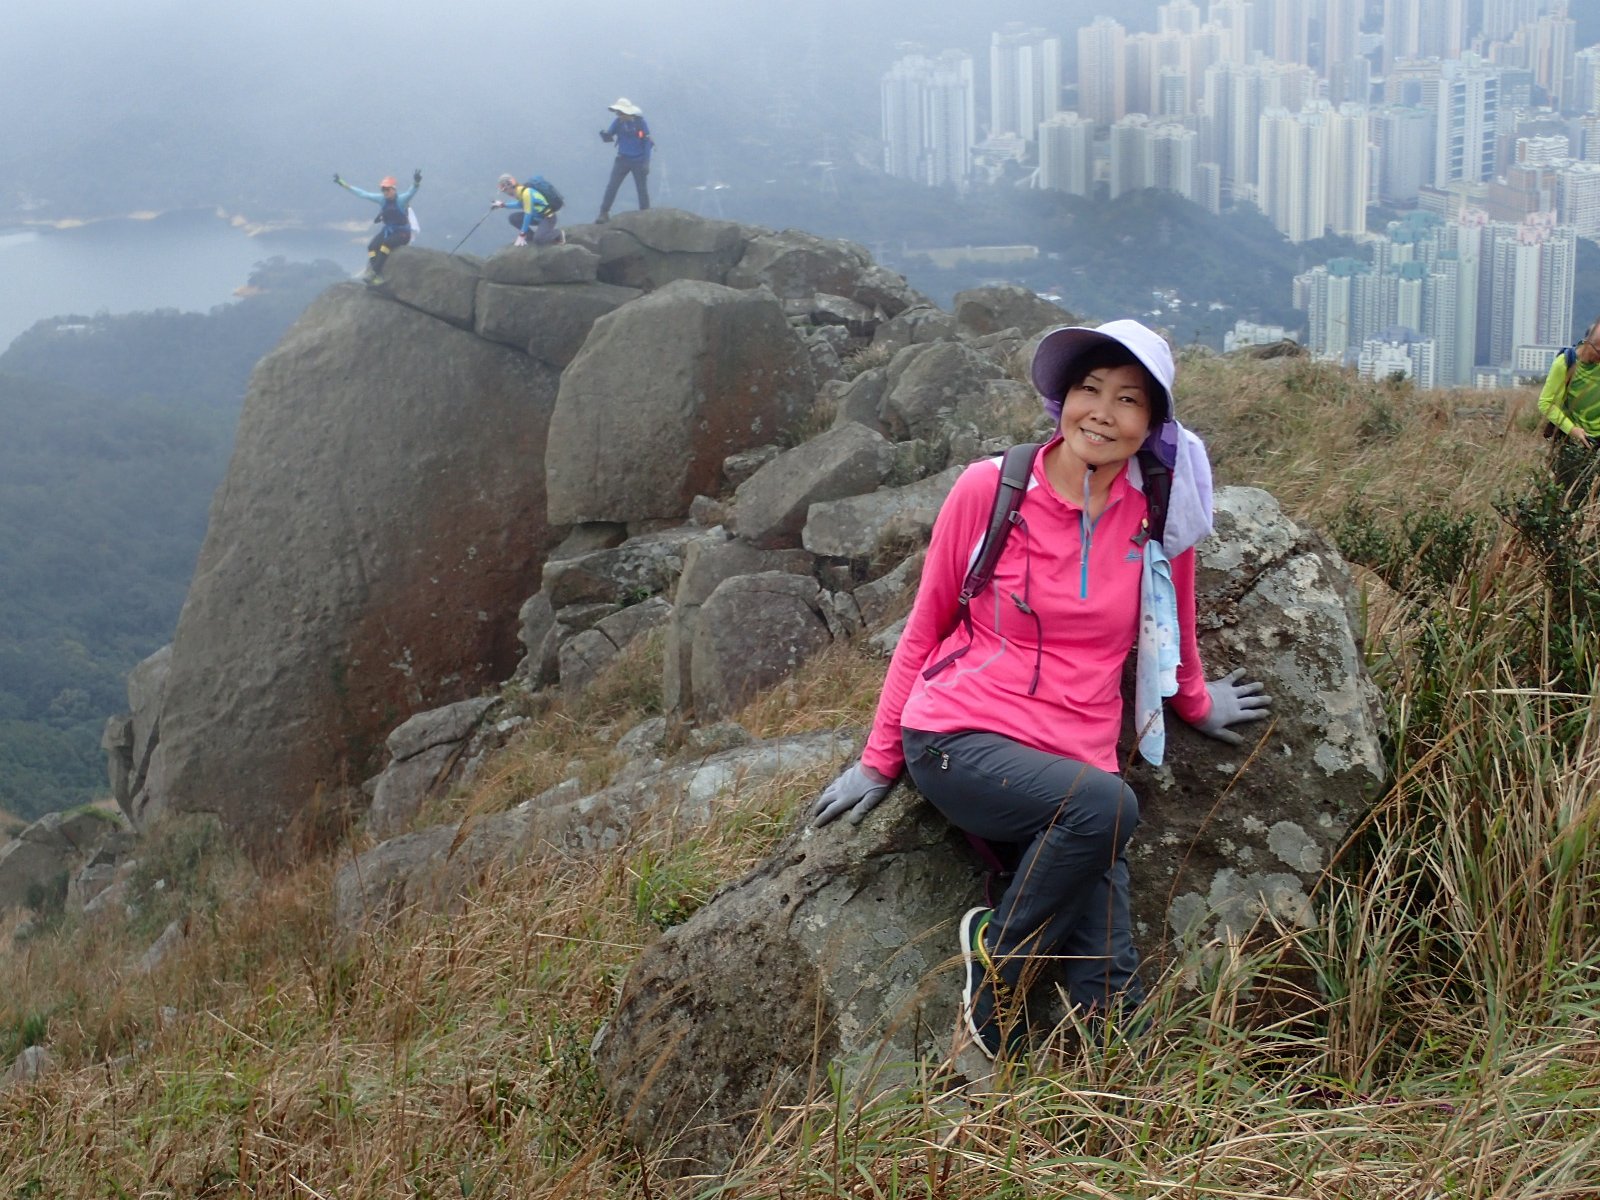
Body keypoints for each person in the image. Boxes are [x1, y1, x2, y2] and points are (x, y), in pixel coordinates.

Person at [810, 319, 1271, 1060]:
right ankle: (998, 968)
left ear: (1152, 422)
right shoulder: (992, 489)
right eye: (1089, 389)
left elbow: (1170, 623)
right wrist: (878, 758)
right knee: (1106, 810)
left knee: (1112, 982)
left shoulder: (1157, 507)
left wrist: (1194, 701)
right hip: (959, 736)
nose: (1103, 413)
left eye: (1128, 399)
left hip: (1074, 757)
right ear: (1062, 399)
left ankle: (1100, 1083)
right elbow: (926, 626)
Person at [1537, 317, 1600, 492]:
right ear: (1588, 344)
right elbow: (1545, 403)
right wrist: (1573, 430)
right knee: (1572, 493)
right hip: (1577, 441)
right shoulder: (1565, 362)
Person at [334, 169, 421, 283]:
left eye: (387, 189)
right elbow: (363, 194)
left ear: (393, 189)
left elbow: (411, 192)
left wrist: (416, 182)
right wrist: (342, 183)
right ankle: (377, 275)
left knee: (386, 244)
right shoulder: (382, 199)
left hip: (403, 233)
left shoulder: (401, 200)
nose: (385, 192)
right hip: (389, 230)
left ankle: (374, 273)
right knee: (372, 247)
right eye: (383, 190)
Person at [595, 97, 653, 223]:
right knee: (612, 187)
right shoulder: (618, 122)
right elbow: (610, 134)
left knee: (641, 189)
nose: (618, 115)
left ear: (627, 112)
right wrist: (605, 135)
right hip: (622, 159)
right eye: (618, 113)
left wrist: (646, 162)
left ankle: (646, 215)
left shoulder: (640, 123)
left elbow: (647, 142)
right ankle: (603, 213)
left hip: (638, 160)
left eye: (620, 113)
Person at [493, 174, 563, 246]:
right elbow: (520, 204)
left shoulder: (526, 193)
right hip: (537, 217)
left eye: (504, 189)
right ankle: (531, 237)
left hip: (548, 218)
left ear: (509, 185)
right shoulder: (520, 192)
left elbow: (528, 215)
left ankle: (558, 234)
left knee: (539, 239)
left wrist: (522, 234)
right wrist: (503, 205)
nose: (505, 192)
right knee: (513, 218)